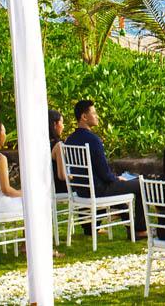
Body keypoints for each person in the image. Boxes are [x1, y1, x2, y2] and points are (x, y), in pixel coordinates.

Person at [65, 99, 147, 238]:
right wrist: (116, 179)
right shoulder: (93, 140)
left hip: (82, 190)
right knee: (140, 184)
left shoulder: (70, 140)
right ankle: (139, 230)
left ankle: (90, 227)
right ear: (84, 117)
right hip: (99, 190)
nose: (97, 116)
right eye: (94, 113)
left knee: (122, 184)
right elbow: (104, 174)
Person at [0, 120, 23, 213]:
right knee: (31, 203)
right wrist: (23, 193)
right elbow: (6, 190)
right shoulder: (0, 159)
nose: (5, 136)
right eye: (4, 132)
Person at [48, 110, 68, 194]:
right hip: (60, 187)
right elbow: (62, 176)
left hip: (50, 185)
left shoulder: (42, 145)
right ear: (55, 124)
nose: (63, 127)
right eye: (62, 123)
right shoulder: (58, 146)